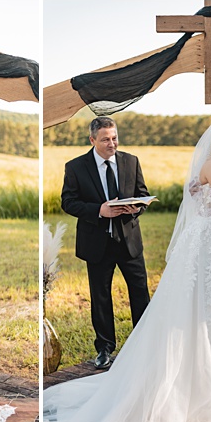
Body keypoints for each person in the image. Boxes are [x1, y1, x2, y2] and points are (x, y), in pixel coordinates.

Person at [42, 114, 211, 422]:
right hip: (202, 247)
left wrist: (136, 205)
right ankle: (156, 373)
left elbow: (158, 194)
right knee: (190, 312)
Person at [60, 116, 150, 370]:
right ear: (92, 140)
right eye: (105, 140)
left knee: (140, 293)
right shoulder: (75, 167)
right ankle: (104, 348)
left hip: (129, 242)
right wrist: (99, 210)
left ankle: (142, 344)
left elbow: (143, 195)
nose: (112, 144)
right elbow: (68, 202)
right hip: (97, 243)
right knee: (100, 297)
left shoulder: (131, 161)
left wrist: (134, 208)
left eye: (114, 138)